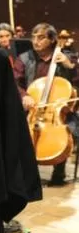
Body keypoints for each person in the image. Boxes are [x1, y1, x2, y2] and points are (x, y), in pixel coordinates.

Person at [14, 22, 79, 187]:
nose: (36, 41)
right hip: (32, 107)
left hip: (59, 109)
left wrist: (69, 66)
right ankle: (28, 173)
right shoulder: (24, 58)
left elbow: (76, 82)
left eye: (41, 38)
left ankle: (59, 172)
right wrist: (25, 96)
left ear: (52, 40)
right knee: (17, 129)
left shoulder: (68, 57)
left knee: (71, 128)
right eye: (34, 38)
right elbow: (15, 82)